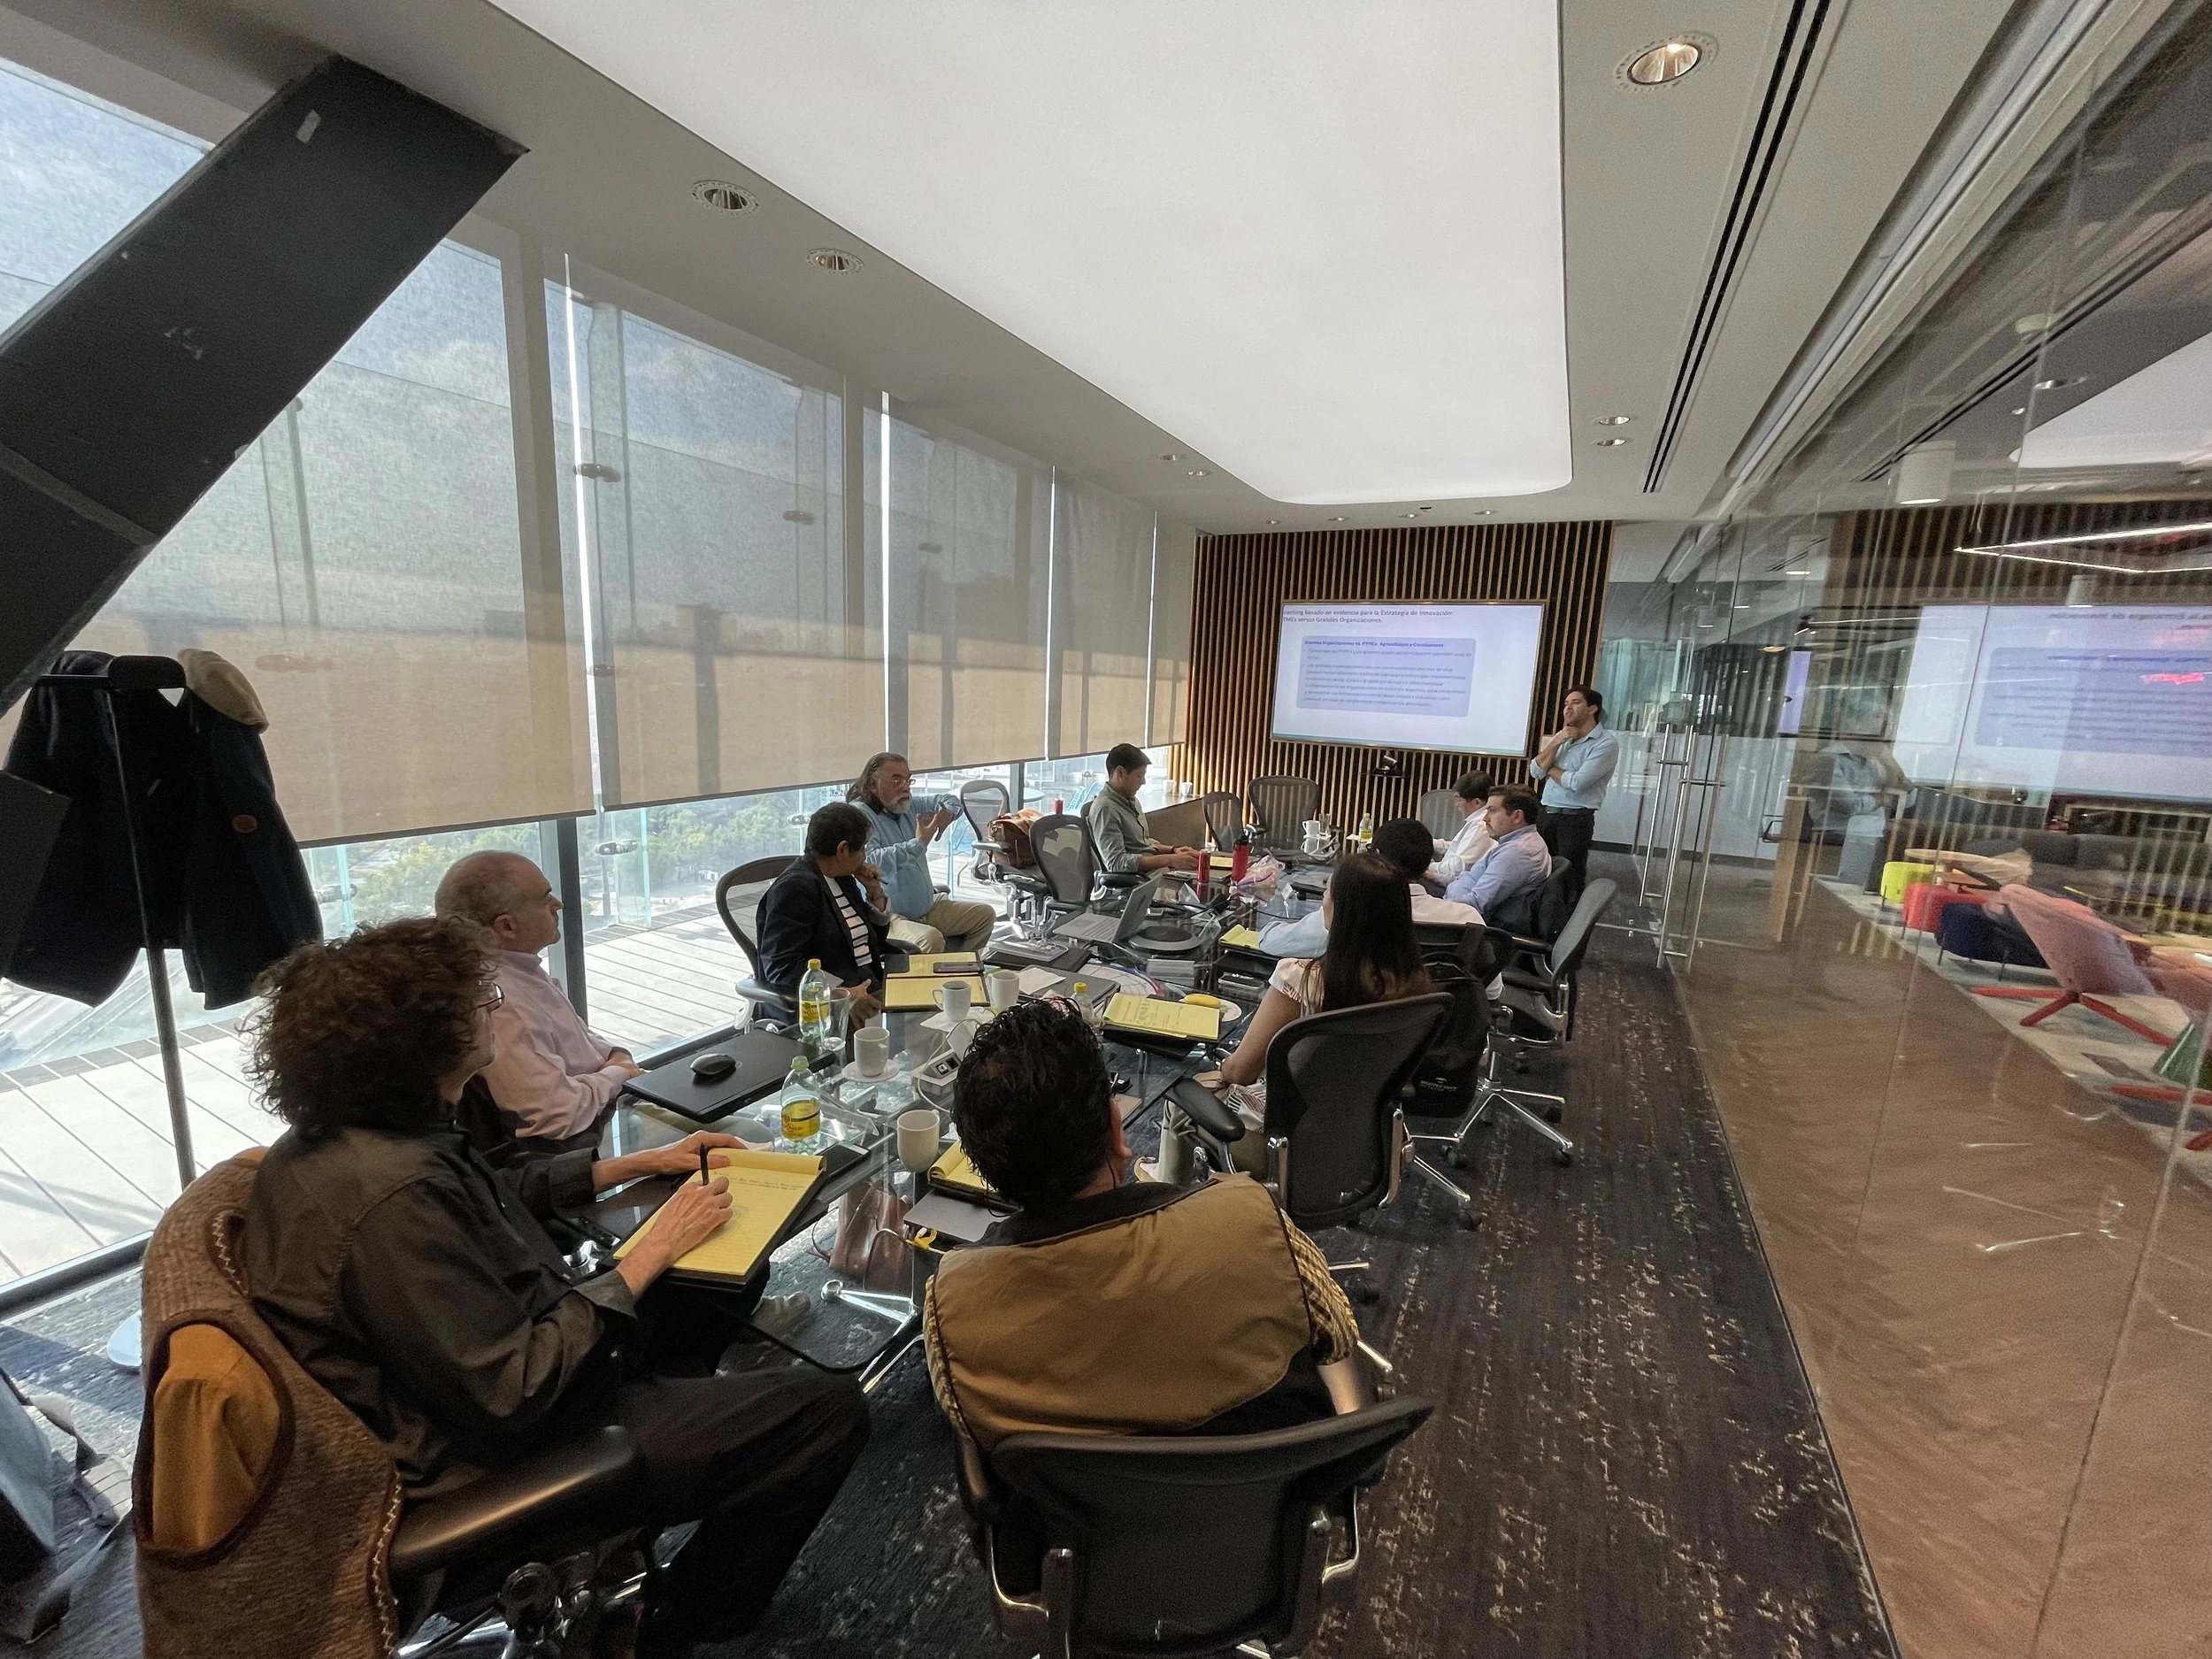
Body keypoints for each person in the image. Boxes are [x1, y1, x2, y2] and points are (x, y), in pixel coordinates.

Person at [242, 918, 870, 1655]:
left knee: (729, 1269)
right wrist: (648, 1253)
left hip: (522, 1357)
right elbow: (514, 1388)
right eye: (481, 1000)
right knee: (828, 1412)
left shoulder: (374, 1138)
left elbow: (490, 1193)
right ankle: (663, 1626)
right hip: (505, 1456)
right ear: (424, 1041)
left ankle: (673, 1464)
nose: (494, 1007)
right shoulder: (391, 1201)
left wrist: (636, 1164)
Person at [922, 997, 1357, 1455]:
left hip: (1072, 1503)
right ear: (1116, 1128)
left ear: (986, 1171)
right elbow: (1339, 1336)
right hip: (1266, 1489)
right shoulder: (1254, 1219)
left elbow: (968, 1426)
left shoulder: (951, 1310)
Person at [434, 850, 639, 1150]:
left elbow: (573, 1040)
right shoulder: (501, 1004)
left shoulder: (516, 968)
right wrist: (619, 1072)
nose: (558, 905)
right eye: (545, 899)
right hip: (582, 1142)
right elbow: (555, 1115)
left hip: (601, 1106)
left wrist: (615, 1056)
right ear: (507, 927)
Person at [1257, 817, 1482, 958]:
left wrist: (1287, 924)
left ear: (1376, 856)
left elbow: (1272, 942)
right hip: (1441, 1019)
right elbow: (1492, 990)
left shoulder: (1352, 912)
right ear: (1426, 864)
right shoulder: (1467, 919)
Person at [847, 752, 996, 954]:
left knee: (984, 915)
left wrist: (948, 813)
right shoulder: (859, 814)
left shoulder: (906, 805)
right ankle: (935, 974)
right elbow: (871, 862)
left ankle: (960, 968)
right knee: (930, 939)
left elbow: (949, 800)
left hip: (927, 907)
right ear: (873, 784)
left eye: (908, 779)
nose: (905, 787)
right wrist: (919, 843)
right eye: (897, 780)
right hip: (891, 917)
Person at [757, 803, 892, 1020]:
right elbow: (781, 966)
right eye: (862, 848)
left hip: (870, 986)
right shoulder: (795, 888)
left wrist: (875, 893)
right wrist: (841, 992)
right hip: (834, 1005)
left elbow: (873, 941)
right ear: (842, 850)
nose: (865, 856)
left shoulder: (842, 878)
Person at [1529, 686, 1618, 879]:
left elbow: (1577, 782)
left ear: (1592, 708)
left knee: (1568, 877)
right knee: (1538, 872)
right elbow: (1535, 771)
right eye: (1566, 704)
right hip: (1545, 814)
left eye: (1576, 703)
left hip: (1574, 820)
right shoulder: (1562, 737)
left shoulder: (1605, 743)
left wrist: (1548, 768)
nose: (1568, 708)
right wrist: (1556, 742)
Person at [1082, 742, 1202, 876]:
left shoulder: (1131, 800)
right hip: (1137, 880)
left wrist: (1174, 851)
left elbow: (1142, 844)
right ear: (1120, 773)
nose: (1143, 781)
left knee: (1202, 872)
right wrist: (1170, 860)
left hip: (1154, 873)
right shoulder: (1105, 809)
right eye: (1139, 775)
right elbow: (1116, 863)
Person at [1444, 787, 1554, 916]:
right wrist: (1433, 876)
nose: (1485, 819)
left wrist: (1438, 906)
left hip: (1459, 916)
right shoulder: (1518, 842)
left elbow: (1477, 903)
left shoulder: (1516, 853)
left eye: (1492, 811)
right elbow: (1471, 878)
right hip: (1454, 899)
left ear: (1517, 817)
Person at [1429, 771, 1497, 885]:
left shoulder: (1481, 825)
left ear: (1476, 802)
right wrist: (1427, 842)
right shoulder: (1477, 821)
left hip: (1450, 884)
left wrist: (1428, 866)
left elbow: (1458, 868)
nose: (1457, 805)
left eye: (1459, 799)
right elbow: (1456, 846)